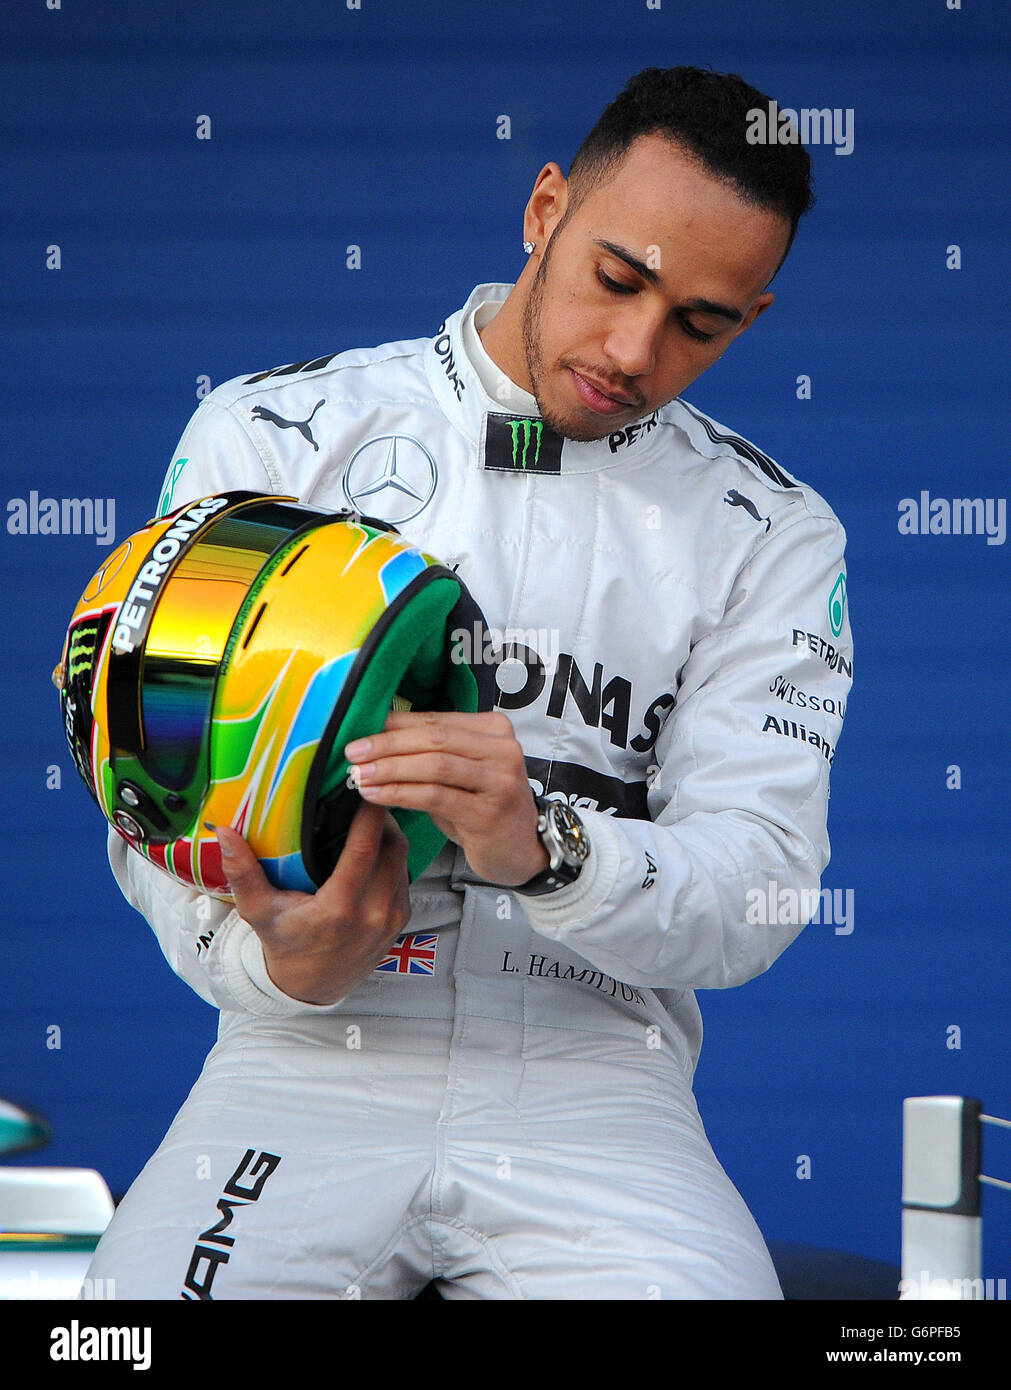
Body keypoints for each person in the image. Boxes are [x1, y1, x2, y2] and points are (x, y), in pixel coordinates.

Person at [86, 65, 852, 1300]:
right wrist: (278, 961)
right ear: (545, 207)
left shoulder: (774, 533)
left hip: (600, 1082)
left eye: (700, 324)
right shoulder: (274, 438)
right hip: (303, 1058)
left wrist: (548, 850)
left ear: (753, 319)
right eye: (620, 278)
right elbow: (145, 790)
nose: (634, 350)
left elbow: (758, 883)